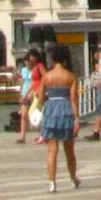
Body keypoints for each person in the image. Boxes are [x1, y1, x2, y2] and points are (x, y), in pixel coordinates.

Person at [37, 46, 81, 192]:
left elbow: (40, 98)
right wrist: (77, 118)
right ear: (65, 60)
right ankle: (73, 178)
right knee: (69, 150)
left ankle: (52, 183)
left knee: (52, 150)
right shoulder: (71, 76)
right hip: (66, 110)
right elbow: (74, 99)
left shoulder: (46, 77)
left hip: (51, 110)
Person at [16, 49, 43, 144]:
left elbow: (35, 83)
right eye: (26, 60)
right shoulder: (23, 71)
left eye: (29, 60)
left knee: (37, 114)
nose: (27, 62)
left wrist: (31, 93)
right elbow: (22, 83)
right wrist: (21, 94)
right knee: (23, 116)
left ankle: (41, 134)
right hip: (25, 93)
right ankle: (22, 136)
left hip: (34, 93)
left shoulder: (36, 70)